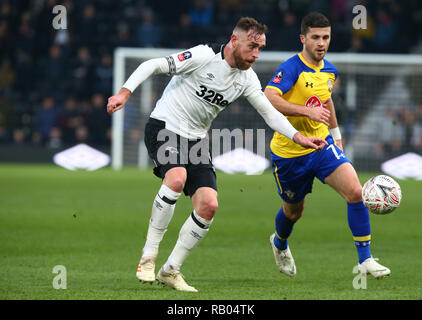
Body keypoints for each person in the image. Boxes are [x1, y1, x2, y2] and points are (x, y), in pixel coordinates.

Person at [107, 17, 327, 292]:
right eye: (252, 46)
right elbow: (152, 65)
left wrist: (299, 137)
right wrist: (124, 93)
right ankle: (149, 257)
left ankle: (170, 270)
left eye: (261, 49)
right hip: (165, 126)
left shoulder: (246, 79)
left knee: (209, 205)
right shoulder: (203, 55)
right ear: (235, 40)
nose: (256, 54)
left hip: (196, 140)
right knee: (176, 179)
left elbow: (269, 112)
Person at [265, 12, 390, 279]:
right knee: (293, 211)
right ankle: (279, 242)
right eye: (315, 37)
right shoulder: (291, 68)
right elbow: (269, 98)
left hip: (322, 146)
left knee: (356, 192)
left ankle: (365, 259)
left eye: (326, 37)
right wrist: (304, 111)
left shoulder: (330, 70)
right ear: (303, 39)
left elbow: (327, 100)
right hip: (290, 153)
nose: (321, 43)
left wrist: (337, 136)